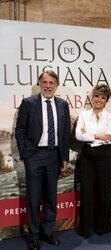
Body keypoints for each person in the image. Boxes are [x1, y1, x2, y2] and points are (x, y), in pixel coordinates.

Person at [15, 70, 71, 250]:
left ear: (56, 85)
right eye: (45, 82)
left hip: (54, 156)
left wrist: (64, 158)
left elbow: (64, 134)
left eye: (51, 83)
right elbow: (20, 130)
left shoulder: (62, 105)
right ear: (40, 84)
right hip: (35, 156)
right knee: (33, 197)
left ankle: (48, 231)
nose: (48, 86)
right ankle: (33, 236)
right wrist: (26, 154)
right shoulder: (28, 103)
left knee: (50, 197)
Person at [75, 84, 111, 239]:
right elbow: (78, 135)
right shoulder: (84, 115)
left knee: (104, 191)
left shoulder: (110, 116)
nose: (99, 100)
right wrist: (98, 135)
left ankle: (103, 226)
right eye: (96, 96)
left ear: (106, 101)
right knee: (86, 190)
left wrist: (89, 133)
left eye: (103, 97)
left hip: (104, 155)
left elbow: (109, 138)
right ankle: (85, 228)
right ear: (92, 97)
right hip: (87, 155)